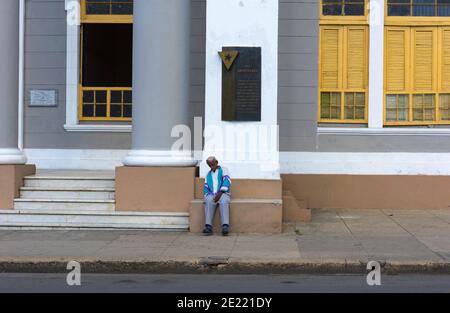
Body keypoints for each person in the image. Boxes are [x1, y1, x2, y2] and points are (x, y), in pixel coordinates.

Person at [202, 156, 231, 236]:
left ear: (216, 162)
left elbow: (227, 181)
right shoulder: (208, 174)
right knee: (208, 201)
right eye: (209, 165)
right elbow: (206, 187)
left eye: (212, 164)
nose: (211, 166)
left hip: (223, 192)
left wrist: (220, 193)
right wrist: (208, 195)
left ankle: (225, 226)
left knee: (224, 201)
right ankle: (208, 226)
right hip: (212, 194)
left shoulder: (224, 169)